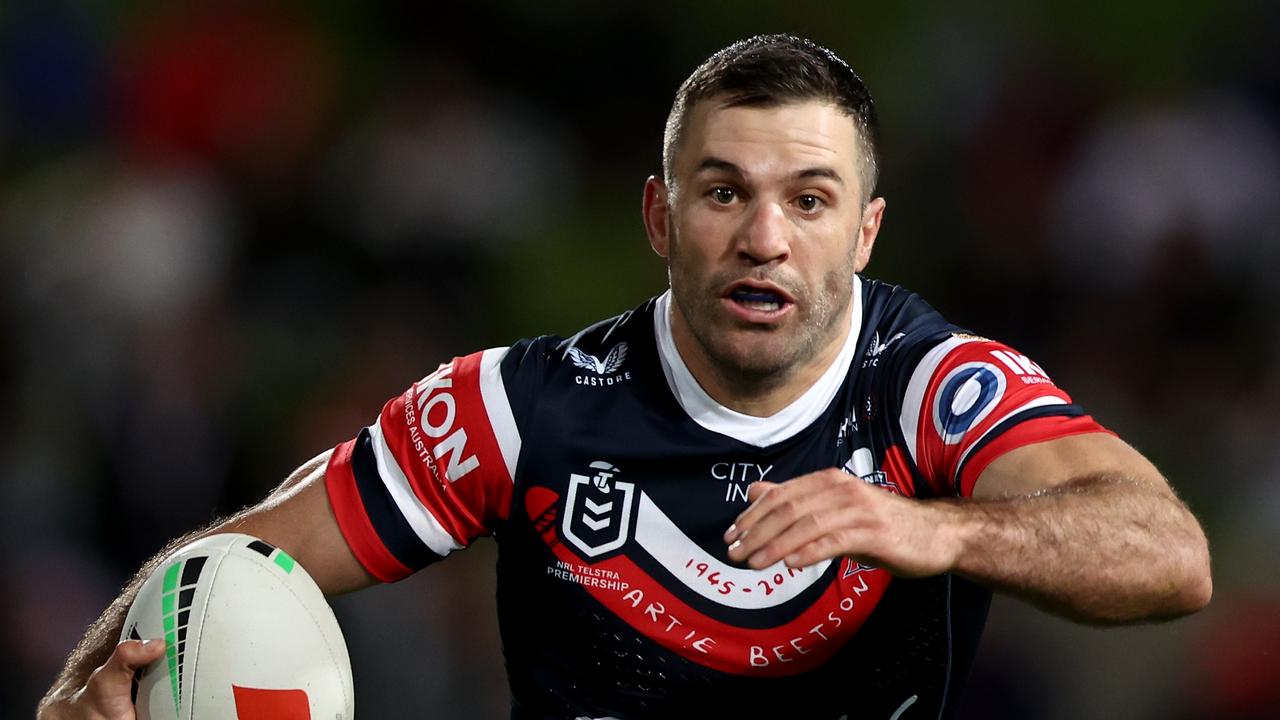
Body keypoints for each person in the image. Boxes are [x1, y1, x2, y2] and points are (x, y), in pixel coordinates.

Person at [38, 34, 1212, 720]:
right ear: (659, 216)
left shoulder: (927, 386)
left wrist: (936, 530)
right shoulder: (513, 409)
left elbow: (1167, 556)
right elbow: (231, 566)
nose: (763, 239)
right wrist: (88, 688)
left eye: (808, 201)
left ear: (863, 233)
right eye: (721, 193)